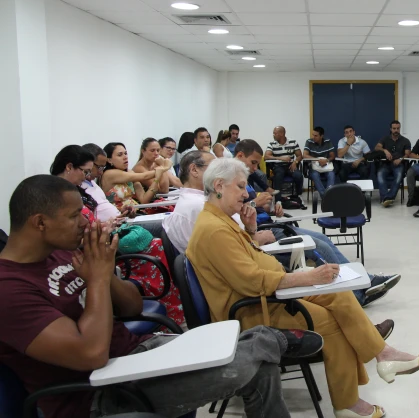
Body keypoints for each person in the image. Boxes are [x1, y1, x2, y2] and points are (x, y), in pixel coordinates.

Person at [0, 175, 321, 418]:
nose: (86, 222)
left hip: (134, 355)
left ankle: (265, 340)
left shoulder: (61, 254)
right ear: (40, 223)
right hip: (100, 393)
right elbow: (91, 356)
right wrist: (97, 279)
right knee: (256, 358)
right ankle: (271, 339)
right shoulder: (10, 291)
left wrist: (106, 273)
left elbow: (133, 306)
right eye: (74, 217)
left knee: (259, 367)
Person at [186, 159, 419, 418]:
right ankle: (349, 401)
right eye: (241, 187)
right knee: (334, 322)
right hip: (252, 311)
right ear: (219, 186)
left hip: (267, 294)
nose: (247, 194)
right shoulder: (214, 230)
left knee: (339, 294)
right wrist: (306, 277)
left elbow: (243, 261)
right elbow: (250, 281)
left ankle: (384, 355)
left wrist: (250, 230)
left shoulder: (220, 221)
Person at [229, 141, 401, 306]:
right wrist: (255, 204)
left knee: (322, 239)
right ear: (240, 155)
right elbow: (236, 212)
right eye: (252, 163)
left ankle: (363, 281)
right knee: (319, 246)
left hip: (270, 224)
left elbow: (248, 208)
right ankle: (359, 292)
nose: (254, 168)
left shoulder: (243, 178)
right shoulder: (231, 182)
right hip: (265, 231)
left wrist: (270, 209)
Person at [101, 142, 172, 211]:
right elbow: (144, 176)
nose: (125, 157)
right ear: (109, 160)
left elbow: (144, 200)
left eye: (125, 153)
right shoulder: (109, 174)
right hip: (118, 217)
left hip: (136, 212)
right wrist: (164, 167)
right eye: (120, 155)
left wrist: (157, 179)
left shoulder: (130, 173)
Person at [81, 143, 130, 223]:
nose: (101, 173)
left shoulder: (92, 182)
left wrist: (121, 211)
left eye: (103, 168)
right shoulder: (78, 188)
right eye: (99, 167)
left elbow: (102, 207)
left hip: (119, 221)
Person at [50, 145, 99, 223]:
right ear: (69, 167)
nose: (87, 177)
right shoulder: (51, 194)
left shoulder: (79, 192)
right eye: (85, 172)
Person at [375, 120, 412, 207]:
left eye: (398, 128)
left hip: (398, 164)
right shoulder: (385, 139)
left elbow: (407, 154)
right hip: (386, 164)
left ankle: (387, 197)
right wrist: (384, 150)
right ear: (390, 129)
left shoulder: (405, 141)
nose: (396, 130)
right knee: (380, 174)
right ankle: (386, 198)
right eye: (394, 128)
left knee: (399, 176)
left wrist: (400, 159)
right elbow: (377, 147)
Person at [265, 126, 304, 201]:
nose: (273, 135)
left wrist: (295, 162)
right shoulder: (272, 144)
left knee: (298, 176)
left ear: (282, 133)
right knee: (278, 176)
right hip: (278, 166)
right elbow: (266, 156)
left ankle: (298, 196)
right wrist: (280, 158)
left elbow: (299, 156)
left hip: (290, 165)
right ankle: (278, 200)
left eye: (275, 133)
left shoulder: (293, 142)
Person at [304, 126, 336, 198]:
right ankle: (325, 196)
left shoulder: (328, 142)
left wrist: (326, 160)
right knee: (315, 175)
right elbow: (305, 155)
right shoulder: (309, 142)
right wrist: (318, 160)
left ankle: (328, 194)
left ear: (321, 136)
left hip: (326, 164)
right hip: (314, 165)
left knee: (331, 174)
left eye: (316, 136)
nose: (313, 137)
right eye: (313, 135)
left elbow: (332, 156)